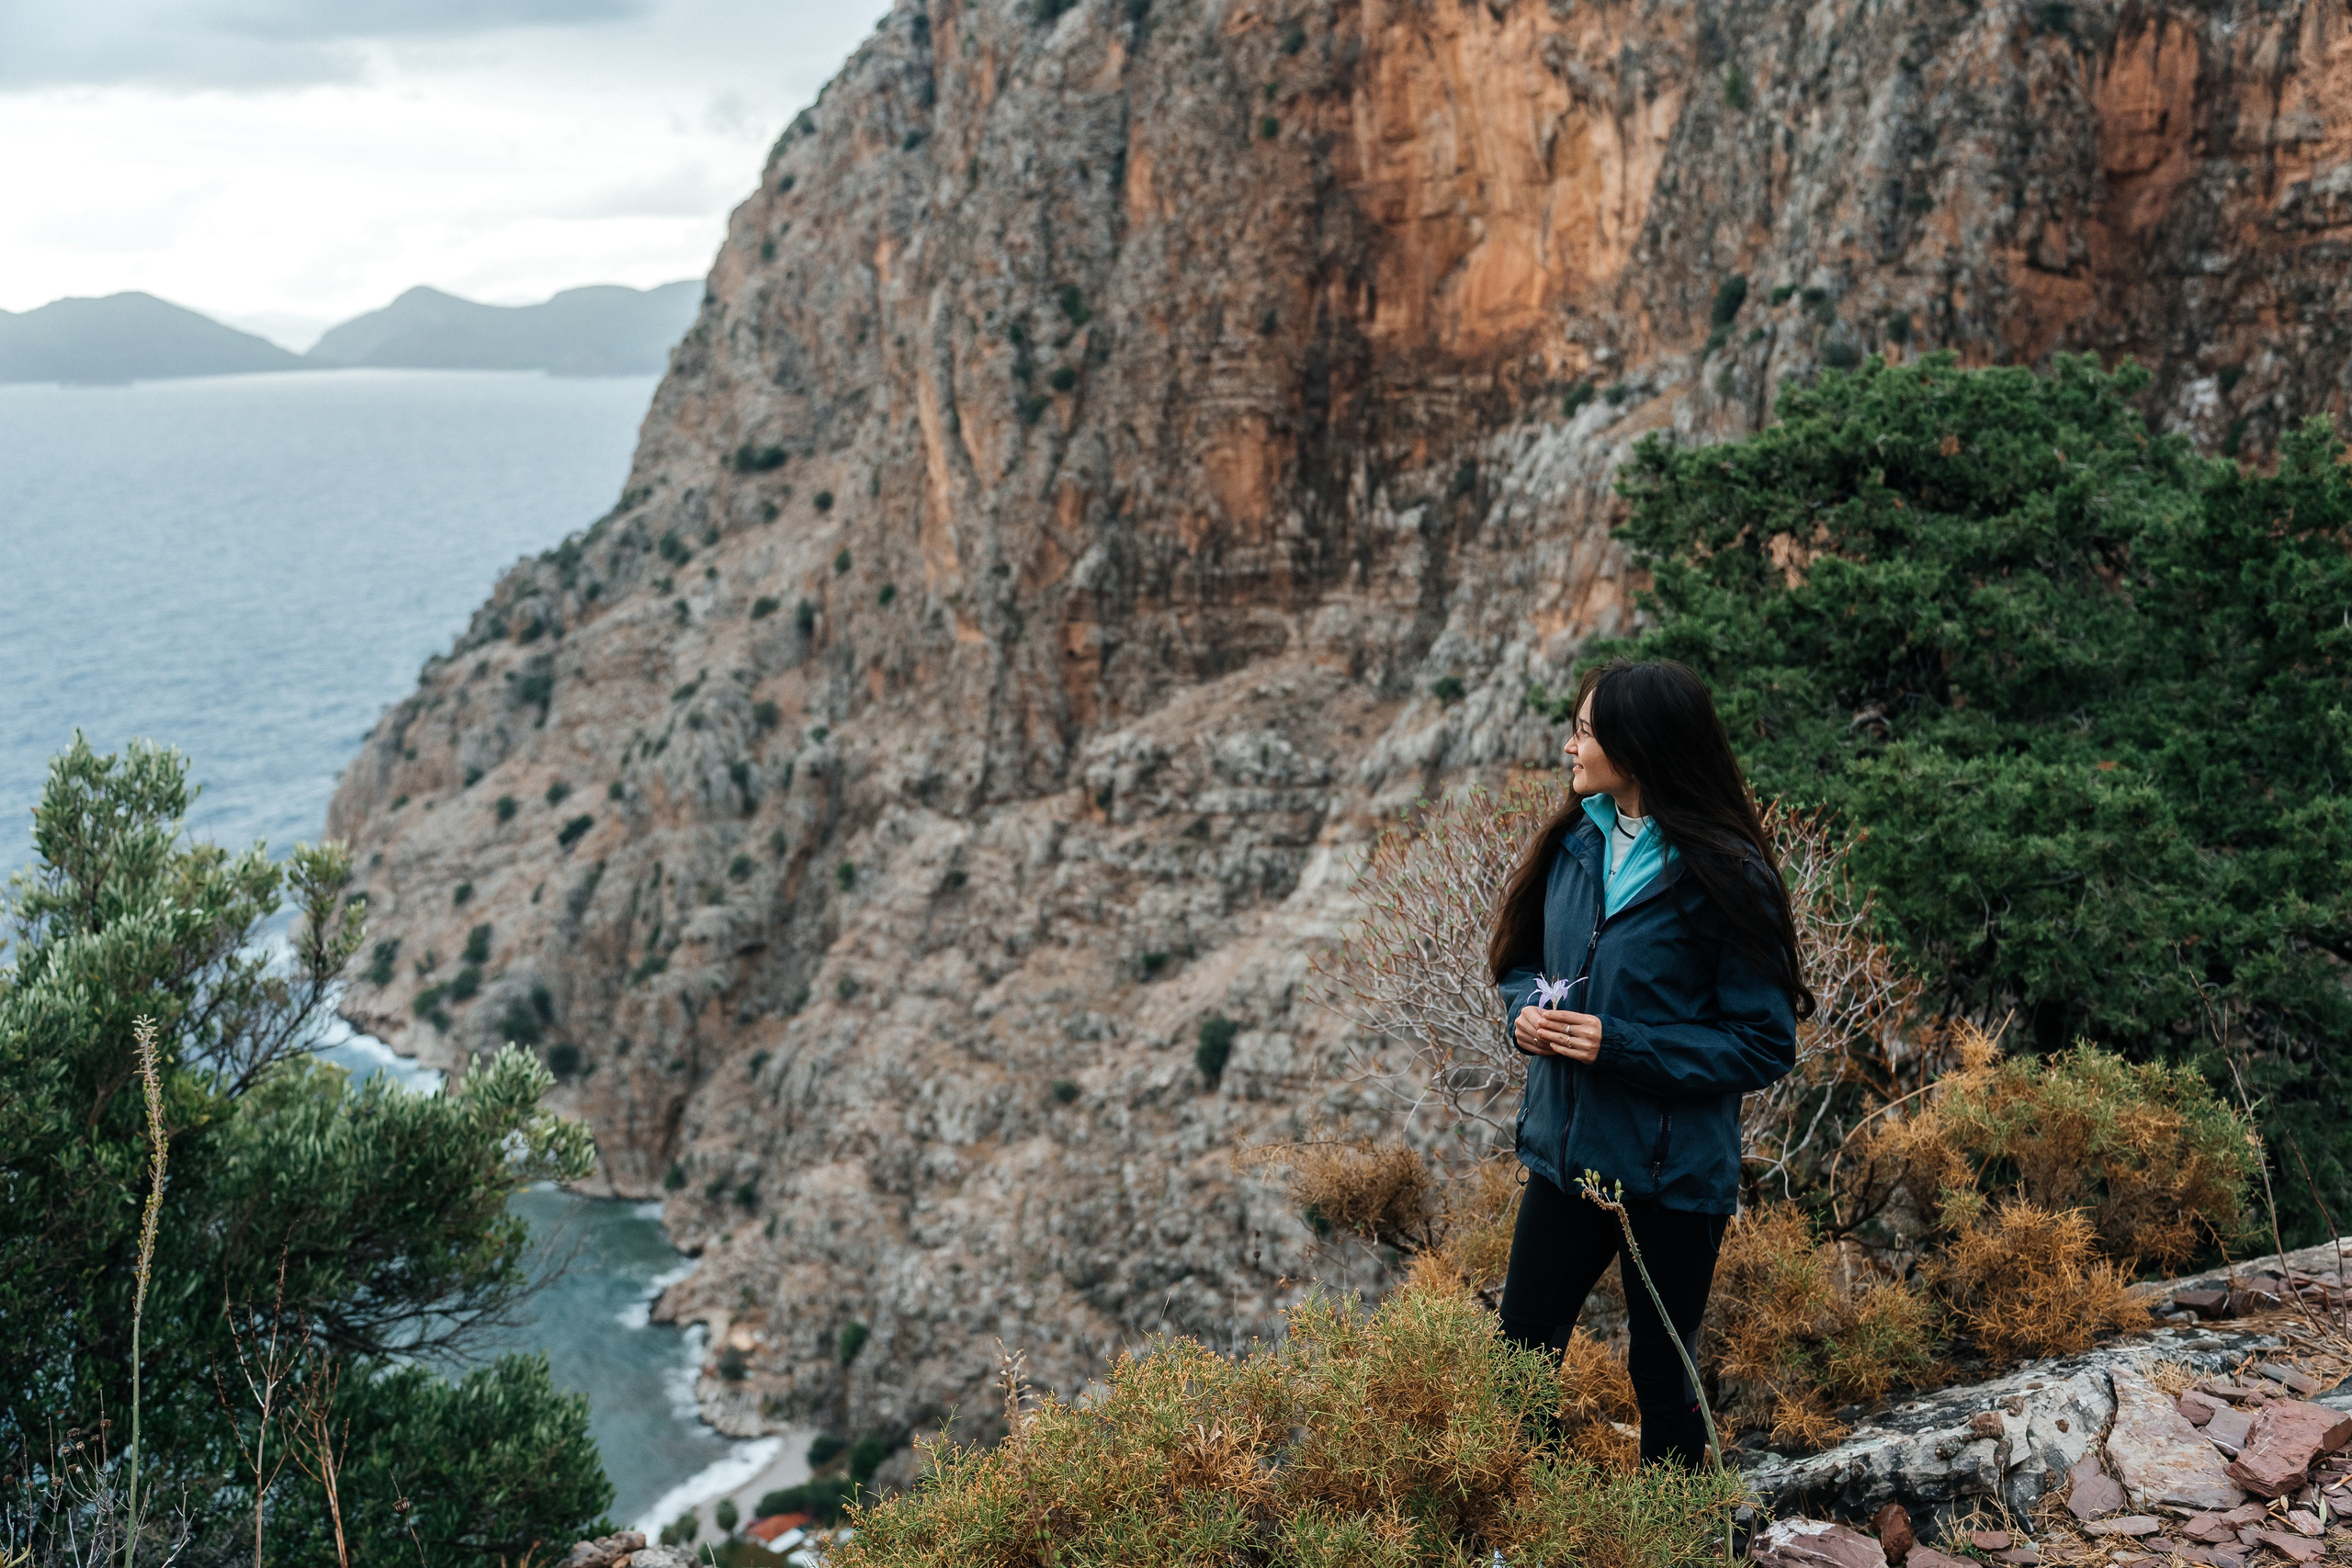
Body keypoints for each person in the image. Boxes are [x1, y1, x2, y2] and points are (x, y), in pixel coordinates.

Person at [1487, 657, 1811, 1467]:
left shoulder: (1726, 873)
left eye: (1586, 732)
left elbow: (1764, 1041)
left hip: (1671, 1180)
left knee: (1662, 1380)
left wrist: (1617, 1043)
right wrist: (1523, 1012)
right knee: (1514, 1371)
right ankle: (1512, 1539)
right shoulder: (1574, 836)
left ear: (1639, 747)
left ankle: (1676, 1540)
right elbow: (1517, 960)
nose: (1570, 747)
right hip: (1567, 1161)